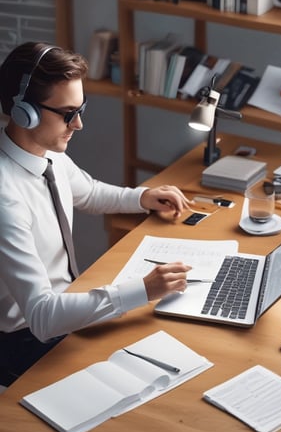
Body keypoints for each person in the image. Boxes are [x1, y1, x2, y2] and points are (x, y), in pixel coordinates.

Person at [0, 42, 193, 387]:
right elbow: (43, 316)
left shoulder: (49, 155)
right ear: (22, 111)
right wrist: (143, 290)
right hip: (27, 343)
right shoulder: (5, 199)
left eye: (81, 109)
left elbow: (87, 192)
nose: (79, 124)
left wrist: (143, 197)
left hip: (66, 311)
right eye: (68, 113)